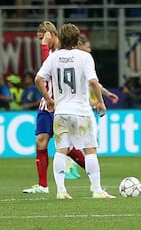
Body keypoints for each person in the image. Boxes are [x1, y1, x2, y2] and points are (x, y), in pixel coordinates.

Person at [34, 23, 115, 199]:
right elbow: (93, 82)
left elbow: (38, 78)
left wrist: (48, 99)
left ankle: (61, 191)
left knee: (61, 150)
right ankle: (96, 189)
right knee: (90, 149)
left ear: (61, 38)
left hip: (61, 111)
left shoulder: (54, 58)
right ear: (77, 38)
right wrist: (101, 102)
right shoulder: (84, 57)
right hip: (81, 111)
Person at [23, 21, 87, 194]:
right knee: (41, 141)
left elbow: (48, 68)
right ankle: (43, 185)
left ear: (50, 35)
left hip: (60, 104)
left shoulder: (62, 53)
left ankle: (92, 171)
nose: (41, 42)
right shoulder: (52, 51)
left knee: (67, 146)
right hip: (46, 104)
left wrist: (45, 46)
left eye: (42, 39)